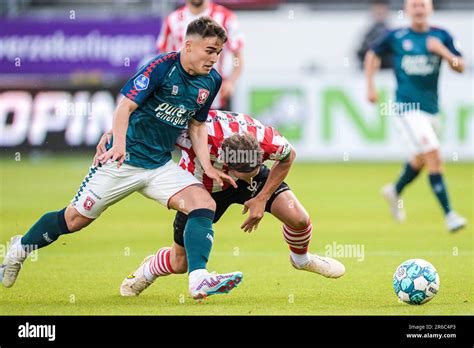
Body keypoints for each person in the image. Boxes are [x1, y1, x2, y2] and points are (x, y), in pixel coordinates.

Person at [0, 17, 243, 300]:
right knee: (75, 220)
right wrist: (119, 144)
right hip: (121, 162)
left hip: (160, 165)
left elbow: (197, 126)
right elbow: (124, 107)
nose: (215, 58)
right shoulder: (161, 68)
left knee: (204, 203)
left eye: (218, 52)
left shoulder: (212, 81)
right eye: (209, 50)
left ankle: (198, 278)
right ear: (189, 46)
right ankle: (19, 249)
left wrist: (209, 167)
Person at [97, 110, 346, 297]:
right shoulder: (190, 135)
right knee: (179, 263)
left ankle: (302, 260)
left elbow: (289, 157)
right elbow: (145, 124)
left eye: (257, 166)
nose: (252, 173)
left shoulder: (265, 139)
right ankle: (150, 267)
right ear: (226, 163)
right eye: (245, 172)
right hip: (200, 185)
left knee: (299, 217)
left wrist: (262, 197)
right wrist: (111, 135)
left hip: (248, 179)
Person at [364, 0, 467, 232]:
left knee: (421, 159)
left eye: (423, 5)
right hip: (406, 108)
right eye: (414, 6)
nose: (419, 9)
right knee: (434, 154)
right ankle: (450, 215)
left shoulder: (442, 35)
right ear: (407, 10)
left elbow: (460, 66)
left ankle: (395, 190)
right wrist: (370, 86)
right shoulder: (396, 36)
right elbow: (372, 53)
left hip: (432, 110)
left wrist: (442, 51)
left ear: (430, 9)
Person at [157, 0, 244, 110]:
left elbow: (237, 58)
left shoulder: (226, 17)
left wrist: (231, 82)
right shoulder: (172, 19)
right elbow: (163, 57)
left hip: (214, 98)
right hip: (179, 99)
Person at [356, 0, 392, 70]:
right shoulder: (368, 35)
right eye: (377, 11)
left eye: (382, 11)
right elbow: (361, 54)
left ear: (386, 11)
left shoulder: (392, 34)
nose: (379, 13)